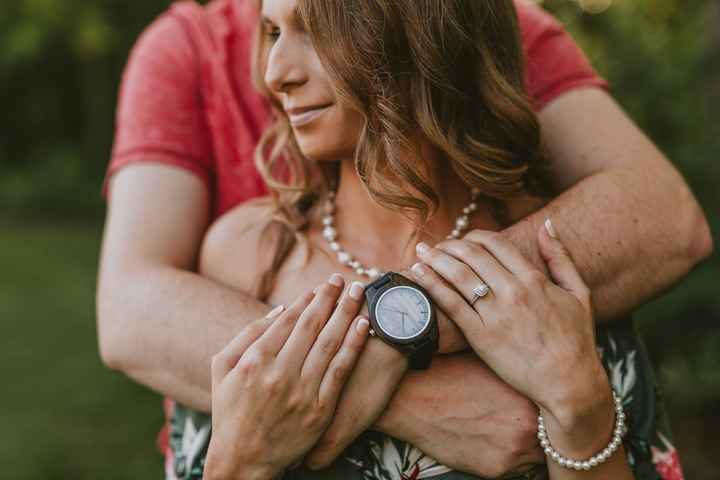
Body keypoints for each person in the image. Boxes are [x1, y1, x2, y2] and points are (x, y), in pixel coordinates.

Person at [95, 0, 711, 479]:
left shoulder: (549, 267)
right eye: (273, 32)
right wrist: (394, 378)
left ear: (414, 38)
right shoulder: (248, 255)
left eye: (313, 28)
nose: (272, 75)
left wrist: (580, 414)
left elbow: (662, 220)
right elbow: (130, 310)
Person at [202, 221, 632, 480]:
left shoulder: (556, 295)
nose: (278, 73)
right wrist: (238, 464)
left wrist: (582, 410)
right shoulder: (236, 271)